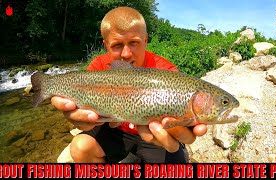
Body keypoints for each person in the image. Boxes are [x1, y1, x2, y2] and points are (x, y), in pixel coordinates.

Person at [51, 6, 207, 163]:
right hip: (115, 130)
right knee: (80, 147)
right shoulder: (98, 66)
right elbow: (80, 102)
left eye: (134, 43)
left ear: (145, 40)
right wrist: (79, 114)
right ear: (106, 45)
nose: (126, 54)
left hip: (153, 134)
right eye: (117, 45)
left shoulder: (166, 71)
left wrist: (184, 124)